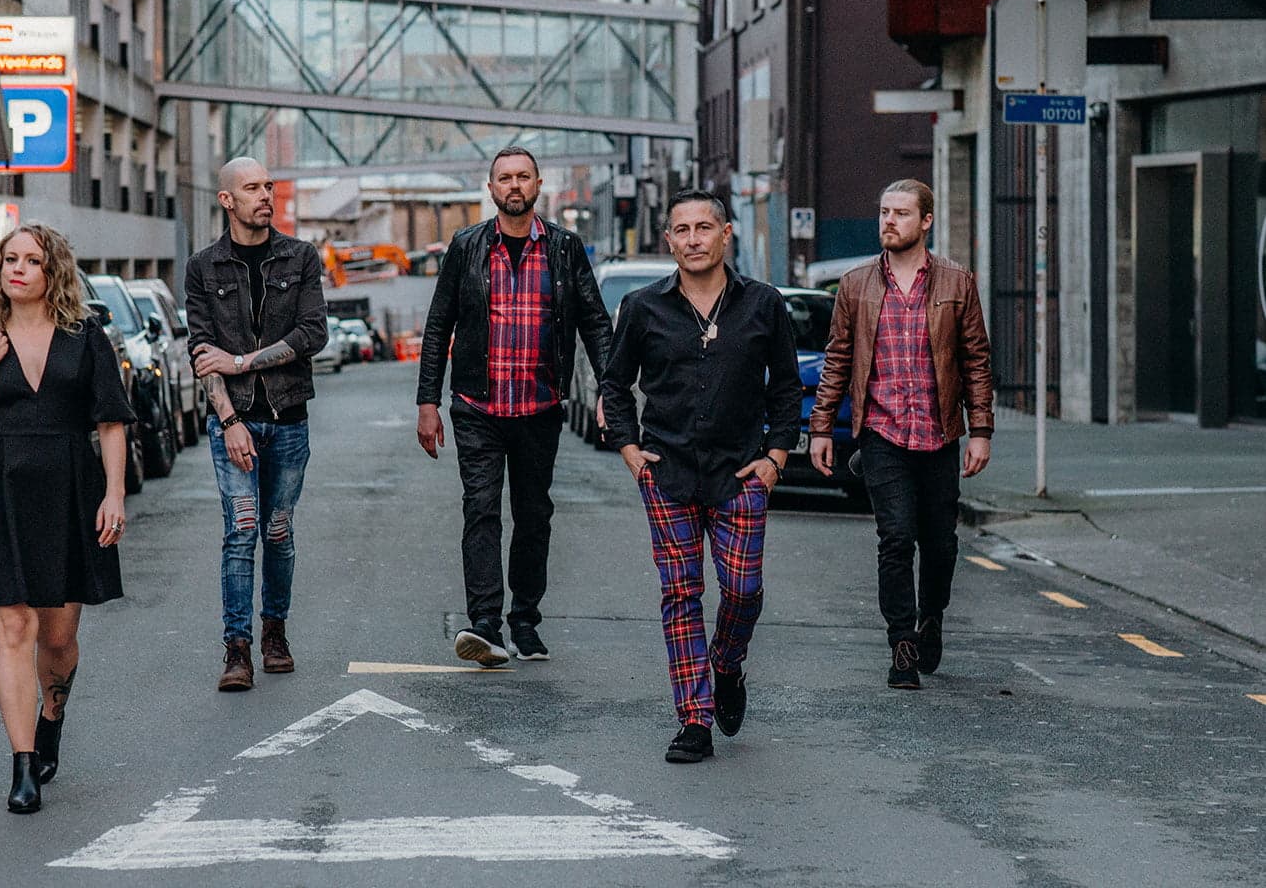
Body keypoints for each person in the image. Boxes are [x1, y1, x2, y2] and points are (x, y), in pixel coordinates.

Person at [600, 190, 801, 764]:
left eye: (704, 227)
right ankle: (694, 719)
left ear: (725, 233)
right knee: (681, 593)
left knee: (742, 592)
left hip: (740, 474)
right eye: (681, 230)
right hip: (667, 474)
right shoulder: (642, 307)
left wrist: (776, 458)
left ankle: (728, 664)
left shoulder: (763, 304)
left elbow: (787, 387)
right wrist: (629, 449)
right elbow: (615, 384)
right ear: (669, 240)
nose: (693, 239)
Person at [0, 225, 135, 814]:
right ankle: (22, 765)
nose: (17, 269)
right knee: (13, 631)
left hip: (72, 491)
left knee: (58, 636)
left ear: (53, 272)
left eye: (31, 260)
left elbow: (110, 422)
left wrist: (115, 495)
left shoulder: (85, 339)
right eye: (9, 259)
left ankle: (51, 719)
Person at [416, 146, 612, 666]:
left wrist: (610, 394)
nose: (514, 185)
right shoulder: (465, 247)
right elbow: (439, 327)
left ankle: (525, 619)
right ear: (491, 188)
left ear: (538, 184)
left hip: (540, 406)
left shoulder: (566, 250)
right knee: (480, 509)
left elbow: (594, 323)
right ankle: (484, 623)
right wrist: (427, 403)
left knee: (533, 515)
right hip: (477, 406)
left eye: (523, 176)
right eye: (505, 177)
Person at [808, 179, 993, 690]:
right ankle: (901, 643)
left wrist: (981, 430)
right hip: (882, 433)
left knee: (940, 545)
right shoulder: (856, 285)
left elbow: (976, 361)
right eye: (885, 212)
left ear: (926, 221)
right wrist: (821, 426)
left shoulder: (957, 282)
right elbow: (838, 361)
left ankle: (931, 618)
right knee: (895, 539)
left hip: (938, 435)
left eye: (902, 214)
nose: (889, 221)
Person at [186, 157, 328, 692]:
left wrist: (242, 362)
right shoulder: (204, 267)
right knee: (242, 529)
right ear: (227, 200)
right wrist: (229, 420)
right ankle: (237, 647)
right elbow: (202, 350)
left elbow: (313, 333)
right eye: (252, 188)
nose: (265, 195)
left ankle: (276, 632)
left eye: (269, 186)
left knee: (279, 530)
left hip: (289, 419)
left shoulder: (301, 257)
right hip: (235, 423)